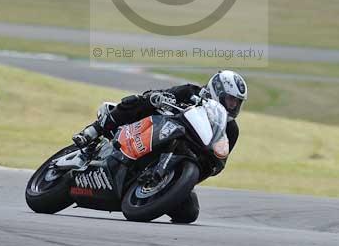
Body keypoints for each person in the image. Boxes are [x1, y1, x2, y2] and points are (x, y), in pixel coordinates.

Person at [72, 70, 247, 223]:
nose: (233, 106)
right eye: (231, 100)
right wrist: (160, 97)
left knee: (189, 213)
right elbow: (160, 94)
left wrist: (190, 178)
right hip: (153, 128)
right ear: (217, 91)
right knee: (140, 100)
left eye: (237, 102)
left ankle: (153, 188)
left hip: (183, 157)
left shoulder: (230, 129)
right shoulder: (190, 92)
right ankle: (95, 130)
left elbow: (218, 159)